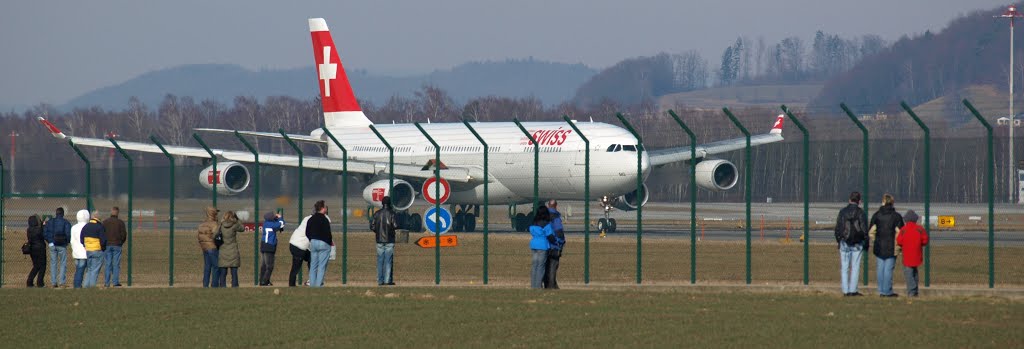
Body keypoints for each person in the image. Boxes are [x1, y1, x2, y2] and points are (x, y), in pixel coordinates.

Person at [869, 194, 904, 298]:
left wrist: (876, 240)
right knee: (888, 269)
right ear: (892, 203)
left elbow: (871, 232)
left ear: (883, 202)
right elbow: (900, 232)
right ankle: (887, 291)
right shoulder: (896, 216)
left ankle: (880, 290)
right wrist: (898, 244)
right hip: (891, 246)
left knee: (880, 268)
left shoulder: (876, 215)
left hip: (879, 245)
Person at [834, 191, 868, 296]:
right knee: (855, 266)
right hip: (857, 243)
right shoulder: (861, 213)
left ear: (849, 200)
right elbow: (864, 229)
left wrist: (839, 239)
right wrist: (865, 240)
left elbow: (838, 227)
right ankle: (853, 290)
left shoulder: (842, 212)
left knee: (844, 267)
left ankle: (845, 290)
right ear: (859, 201)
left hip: (844, 241)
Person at [896, 210, 928, 297]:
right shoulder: (920, 229)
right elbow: (925, 240)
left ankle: (912, 290)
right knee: (915, 272)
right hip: (917, 254)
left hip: (907, 255)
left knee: (908, 273)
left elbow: (899, 241)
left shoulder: (904, 229)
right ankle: (915, 290)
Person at [371, 196, 398, 286]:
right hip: (389, 240)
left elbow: (372, 226)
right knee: (388, 261)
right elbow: (395, 225)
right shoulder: (392, 213)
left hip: (379, 240)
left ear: (382, 203)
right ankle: (387, 280)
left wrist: (378, 232)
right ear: (389, 203)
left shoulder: (377, 213)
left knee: (380, 261)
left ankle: (380, 280)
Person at [305, 200, 333, 288]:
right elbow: (328, 233)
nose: (326, 208)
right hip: (324, 243)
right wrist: (329, 243)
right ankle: (318, 285)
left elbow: (307, 232)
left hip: (313, 242)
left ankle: (312, 285)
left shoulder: (311, 219)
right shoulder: (325, 219)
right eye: (325, 207)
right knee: (321, 266)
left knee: (313, 265)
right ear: (322, 208)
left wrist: (311, 239)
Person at [43, 207, 71, 288]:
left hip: (52, 245)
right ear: (63, 214)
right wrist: (67, 242)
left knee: (53, 263)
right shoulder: (66, 222)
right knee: (63, 263)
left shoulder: (50, 222)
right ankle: (62, 282)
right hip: (62, 245)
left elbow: (45, 232)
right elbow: (68, 234)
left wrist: (50, 241)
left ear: (56, 213)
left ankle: (53, 282)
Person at [288, 212, 318, 287]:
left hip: (295, 243)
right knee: (296, 266)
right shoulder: (313, 221)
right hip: (298, 245)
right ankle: (291, 285)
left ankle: (312, 280)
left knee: (311, 259)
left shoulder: (307, 218)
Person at [217, 211, 245, 288]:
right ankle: (235, 285)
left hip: (223, 250)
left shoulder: (221, 225)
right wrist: (237, 219)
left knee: (223, 271)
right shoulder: (234, 225)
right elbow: (242, 228)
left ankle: (222, 285)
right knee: (234, 271)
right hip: (233, 250)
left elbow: (214, 235)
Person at [101, 207, 127, 287]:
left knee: (108, 264)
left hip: (107, 245)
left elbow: (102, 234)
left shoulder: (105, 222)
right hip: (117, 245)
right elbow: (124, 234)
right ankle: (115, 282)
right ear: (118, 213)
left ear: (111, 212)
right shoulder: (120, 223)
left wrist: (104, 243)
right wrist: (121, 242)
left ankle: (106, 283)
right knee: (116, 264)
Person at [529, 205, 553, 289]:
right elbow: (550, 235)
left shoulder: (533, 223)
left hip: (534, 245)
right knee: (540, 266)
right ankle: (538, 286)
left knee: (534, 265)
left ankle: (533, 285)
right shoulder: (546, 224)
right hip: (542, 246)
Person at [81, 212, 107, 288]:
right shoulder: (100, 226)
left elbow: (82, 239)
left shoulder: (86, 226)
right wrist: (103, 248)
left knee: (89, 269)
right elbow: (103, 240)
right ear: (99, 218)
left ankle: (86, 286)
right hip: (97, 250)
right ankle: (92, 286)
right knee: (95, 270)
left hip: (88, 250)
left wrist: (86, 246)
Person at [197, 206, 221, 288]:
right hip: (212, 247)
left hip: (204, 248)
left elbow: (199, 236)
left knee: (207, 267)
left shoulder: (202, 224)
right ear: (213, 213)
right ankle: (214, 285)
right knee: (216, 266)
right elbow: (216, 236)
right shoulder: (214, 224)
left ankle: (205, 284)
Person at [544, 200, 565, 289]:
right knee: (553, 266)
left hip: (544, 245)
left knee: (545, 266)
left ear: (548, 205)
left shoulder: (543, 215)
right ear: (556, 206)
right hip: (554, 245)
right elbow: (559, 231)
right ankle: (551, 285)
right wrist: (561, 242)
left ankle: (546, 284)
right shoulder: (555, 216)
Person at [259, 211, 285, 286]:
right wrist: (280, 218)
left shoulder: (266, 223)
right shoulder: (272, 225)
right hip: (269, 246)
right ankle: (264, 281)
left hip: (263, 245)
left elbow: (275, 224)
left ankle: (262, 280)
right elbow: (281, 224)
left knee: (263, 265)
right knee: (269, 266)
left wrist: (275, 218)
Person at [70, 209, 90, 288]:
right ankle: (78, 285)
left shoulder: (74, 227)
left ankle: (77, 284)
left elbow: (72, 241)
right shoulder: (87, 226)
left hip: (76, 252)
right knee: (82, 270)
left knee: (78, 269)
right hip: (84, 252)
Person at [26, 215, 47, 287]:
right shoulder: (39, 230)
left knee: (36, 266)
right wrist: (43, 226)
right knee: (42, 266)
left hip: (32, 249)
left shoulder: (29, 230)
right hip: (40, 248)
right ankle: (40, 282)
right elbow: (43, 236)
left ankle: (29, 281)